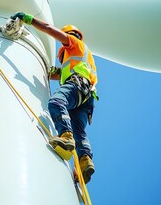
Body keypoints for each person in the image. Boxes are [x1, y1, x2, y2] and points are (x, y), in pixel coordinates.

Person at [11, 12, 99, 183]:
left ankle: (66, 137)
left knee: (57, 102)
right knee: (79, 131)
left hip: (78, 85)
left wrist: (30, 20)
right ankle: (84, 162)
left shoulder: (74, 43)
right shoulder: (80, 58)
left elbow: (49, 28)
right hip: (87, 96)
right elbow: (59, 73)